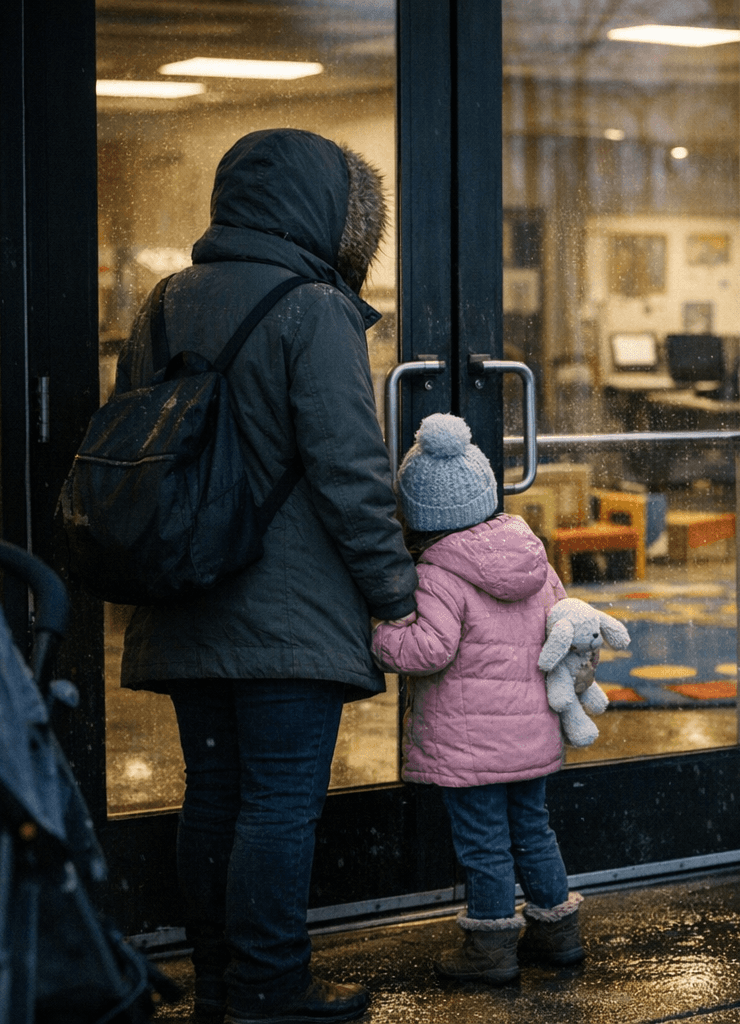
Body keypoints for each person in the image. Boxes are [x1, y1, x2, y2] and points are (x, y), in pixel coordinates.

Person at [115, 129, 417, 1024]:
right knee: (280, 805)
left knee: (212, 795)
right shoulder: (311, 307)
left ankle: (219, 984)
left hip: (184, 588)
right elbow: (350, 472)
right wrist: (397, 592)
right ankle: (271, 987)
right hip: (285, 612)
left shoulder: (165, 303)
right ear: (327, 211)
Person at [371, 412, 585, 986]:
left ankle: (491, 950)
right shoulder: (533, 560)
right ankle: (558, 935)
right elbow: (561, 629)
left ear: (419, 516)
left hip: (471, 748)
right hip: (531, 733)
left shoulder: (440, 572)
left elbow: (428, 650)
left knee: (486, 845)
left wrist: (378, 634)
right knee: (534, 830)